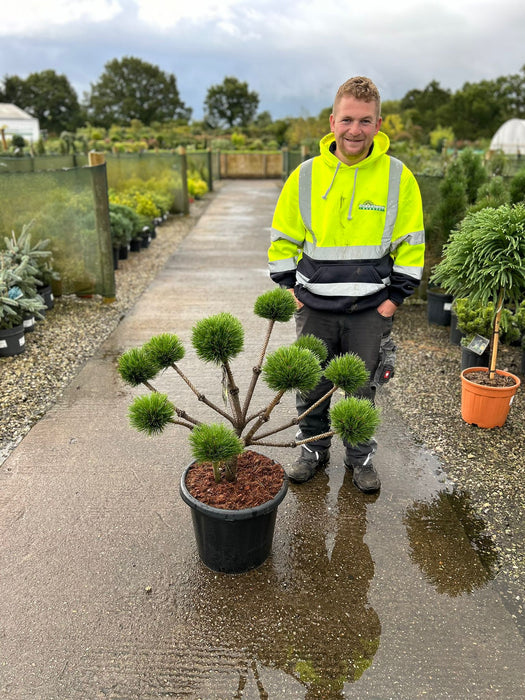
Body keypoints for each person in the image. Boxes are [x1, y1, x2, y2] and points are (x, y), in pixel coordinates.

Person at [267, 76, 425, 493]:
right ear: (332, 120)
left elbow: (411, 242)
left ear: (378, 123)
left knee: (361, 391)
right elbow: (282, 237)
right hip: (314, 308)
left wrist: (393, 300)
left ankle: (361, 460)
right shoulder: (305, 176)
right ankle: (312, 452)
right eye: (348, 120)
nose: (355, 130)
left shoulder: (397, 177)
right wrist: (290, 290)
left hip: (369, 312)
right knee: (312, 385)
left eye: (366, 121)